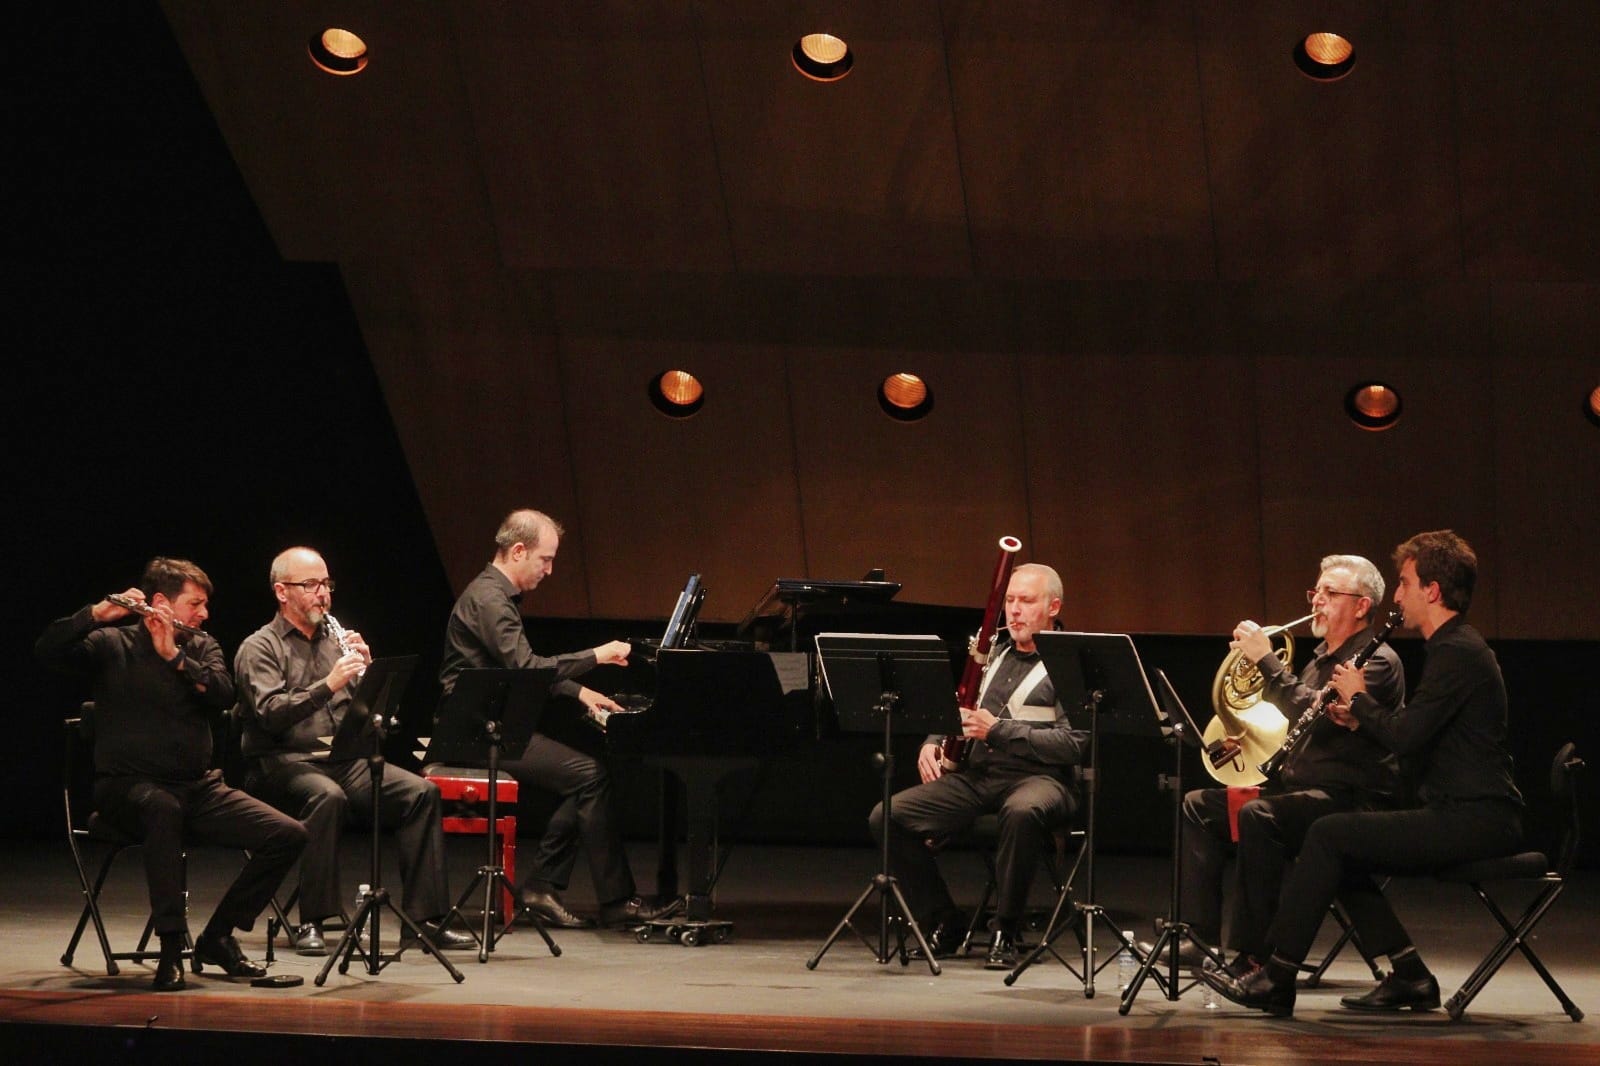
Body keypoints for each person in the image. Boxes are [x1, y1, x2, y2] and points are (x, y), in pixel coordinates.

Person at [1201, 530, 1523, 1016]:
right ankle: (1410, 975)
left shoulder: (1458, 651)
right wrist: (1362, 718)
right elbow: (1417, 732)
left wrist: (1358, 699)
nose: (1398, 596)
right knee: (1341, 842)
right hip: (1460, 811)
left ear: (1432, 590)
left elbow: (1406, 738)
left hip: (1478, 818)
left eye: (1405, 583)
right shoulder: (1453, 648)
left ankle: (1277, 976)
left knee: (1329, 835)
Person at [36, 557, 307, 991]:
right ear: (162, 602)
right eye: (195, 604)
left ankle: (218, 937)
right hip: (126, 791)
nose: (204, 614)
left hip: (197, 788)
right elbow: (46, 650)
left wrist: (175, 658)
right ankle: (170, 948)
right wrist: (96, 613)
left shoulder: (201, 647)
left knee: (288, 834)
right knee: (162, 808)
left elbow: (223, 694)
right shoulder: (112, 643)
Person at [1156, 555, 1404, 978]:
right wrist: (1244, 736)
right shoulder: (1319, 659)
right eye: (1316, 592)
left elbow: (1319, 714)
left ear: (1362, 605)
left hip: (1348, 800)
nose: (1317, 601)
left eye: (1330, 593)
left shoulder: (1376, 661)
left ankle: (1255, 956)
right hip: (1300, 795)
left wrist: (1266, 662)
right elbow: (1294, 726)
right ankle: (1199, 939)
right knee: (1199, 806)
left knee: (1260, 815)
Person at [233, 547, 474, 953]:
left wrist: (370, 675)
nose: (323, 594)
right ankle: (314, 920)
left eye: (326, 584)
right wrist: (327, 684)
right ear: (282, 592)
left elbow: (377, 720)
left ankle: (425, 921)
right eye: (311, 585)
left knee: (421, 793)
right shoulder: (260, 647)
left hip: (343, 760)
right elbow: (270, 715)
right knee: (327, 797)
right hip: (282, 763)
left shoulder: (336, 642)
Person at [438, 509, 669, 929]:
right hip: (475, 733)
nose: (549, 570)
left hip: (488, 725)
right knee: (589, 777)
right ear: (518, 551)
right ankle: (608, 899)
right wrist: (596, 656)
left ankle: (545, 886)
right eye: (545, 559)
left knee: (587, 777)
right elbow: (528, 668)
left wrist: (580, 692)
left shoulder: (494, 595)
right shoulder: (490, 600)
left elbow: (520, 669)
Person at [867, 563, 1087, 970]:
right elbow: (960, 708)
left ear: (1053, 607)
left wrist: (998, 731)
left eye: (1027, 601)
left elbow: (1074, 745)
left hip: (1042, 779)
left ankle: (1006, 929)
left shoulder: (1070, 663)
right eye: (1010, 600)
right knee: (888, 816)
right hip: (979, 776)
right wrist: (933, 741)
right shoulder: (992, 653)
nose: (1014, 610)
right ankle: (942, 921)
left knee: (1022, 812)